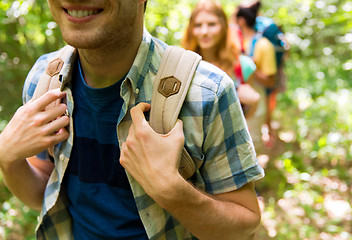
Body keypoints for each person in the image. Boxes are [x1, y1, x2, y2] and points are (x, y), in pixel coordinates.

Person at [0, 0, 264, 239]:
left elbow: (244, 225)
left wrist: (172, 192)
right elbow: (43, 192)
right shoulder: (44, 80)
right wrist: (7, 159)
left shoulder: (206, 93)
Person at [181, 0, 259, 119]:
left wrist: (253, 103)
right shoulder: (182, 64)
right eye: (198, 25)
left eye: (212, 24)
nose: (204, 32)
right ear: (190, 29)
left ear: (223, 26)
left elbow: (245, 119)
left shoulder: (243, 66)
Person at [235, 1, 278, 150]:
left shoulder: (263, 45)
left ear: (241, 20)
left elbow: (271, 80)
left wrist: (250, 68)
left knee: (251, 145)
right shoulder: (231, 43)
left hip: (255, 102)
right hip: (234, 101)